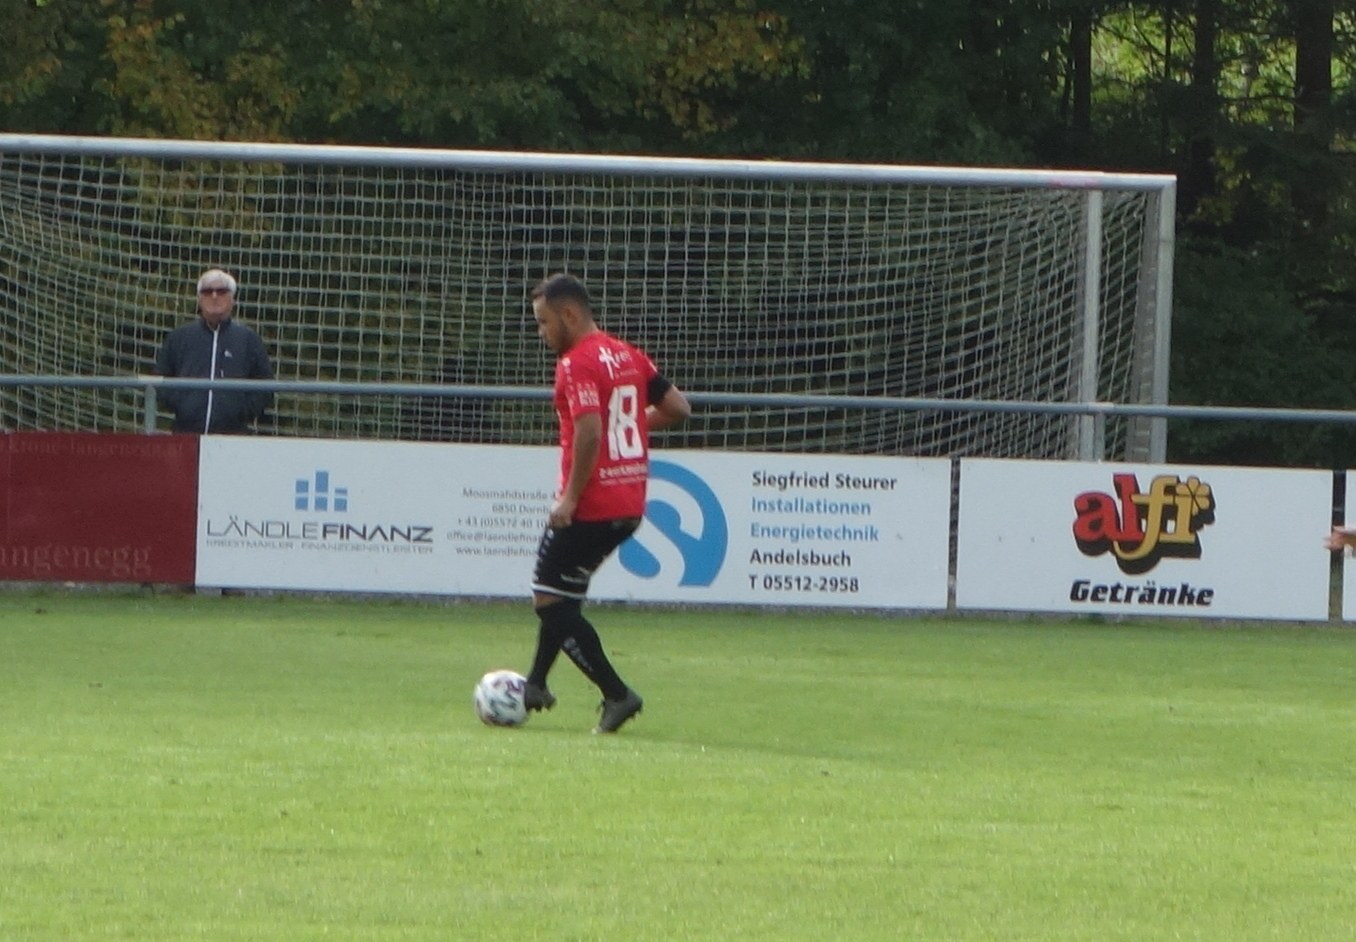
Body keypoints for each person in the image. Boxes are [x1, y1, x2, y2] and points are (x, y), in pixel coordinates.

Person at [522, 273, 691, 733]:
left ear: (569, 314)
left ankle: (617, 694)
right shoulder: (628, 354)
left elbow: (590, 431)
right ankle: (535, 684)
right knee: (562, 597)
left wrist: (570, 498)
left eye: (544, 322)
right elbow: (678, 408)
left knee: (548, 600)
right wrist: (630, 427)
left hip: (592, 503)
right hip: (630, 502)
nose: (541, 332)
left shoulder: (576, 363)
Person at [154, 268, 274, 434]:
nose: (214, 296)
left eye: (222, 291)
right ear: (199, 299)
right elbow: (160, 379)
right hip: (186, 434)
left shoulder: (248, 339)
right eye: (207, 291)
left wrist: (241, 412)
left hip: (234, 436)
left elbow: (265, 385)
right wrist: (183, 406)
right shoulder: (179, 337)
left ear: (232, 298)